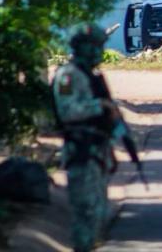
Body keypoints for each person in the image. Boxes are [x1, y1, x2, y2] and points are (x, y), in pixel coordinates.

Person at [51, 23, 138, 252]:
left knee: (98, 214)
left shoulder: (93, 76)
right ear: (83, 47)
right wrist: (99, 106)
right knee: (85, 212)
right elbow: (68, 111)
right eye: (96, 46)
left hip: (97, 151)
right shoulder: (68, 76)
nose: (100, 52)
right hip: (81, 152)